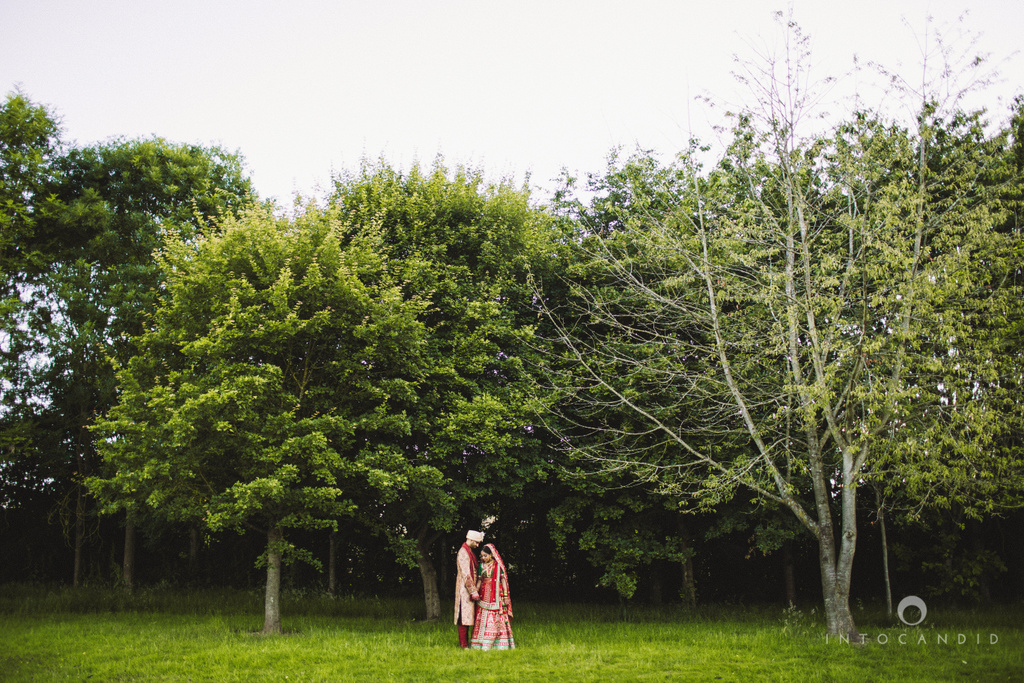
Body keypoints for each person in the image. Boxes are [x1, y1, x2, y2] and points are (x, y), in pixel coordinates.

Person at [470, 543, 515, 650]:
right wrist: (475, 591)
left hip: (496, 595)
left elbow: (503, 580)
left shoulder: (498, 565)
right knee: (483, 616)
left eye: (485, 556)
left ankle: (499, 644)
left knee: (496, 617)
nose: (483, 558)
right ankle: (481, 643)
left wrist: (505, 596)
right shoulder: (481, 566)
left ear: (491, 555)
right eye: (482, 556)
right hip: (484, 595)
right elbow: (480, 580)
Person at [455, 530, 484, 648]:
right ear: (471, 540)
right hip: (464, 589)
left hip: (468, 588)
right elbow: (466, 574)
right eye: (476, 543)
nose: (477, 546)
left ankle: (469, 643)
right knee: (463, 617)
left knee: (468, 617)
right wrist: (473, 591)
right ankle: (464, 645)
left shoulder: (469, 552)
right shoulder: (463, 553)